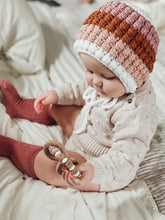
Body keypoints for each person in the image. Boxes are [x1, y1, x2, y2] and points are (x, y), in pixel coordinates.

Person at [0, 1, 159, 192]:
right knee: (60, 104)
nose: (95, 81)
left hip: (98, 167)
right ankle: (19, 106)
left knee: (50, 166)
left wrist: (94, 169)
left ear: (133, 77)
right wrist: (58, 94)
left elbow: (124, 158)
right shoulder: (104, 84)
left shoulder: (136, 113)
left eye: (106, 76)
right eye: (89, 70)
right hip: (86, 132)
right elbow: (84, 88)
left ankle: (9, 147)